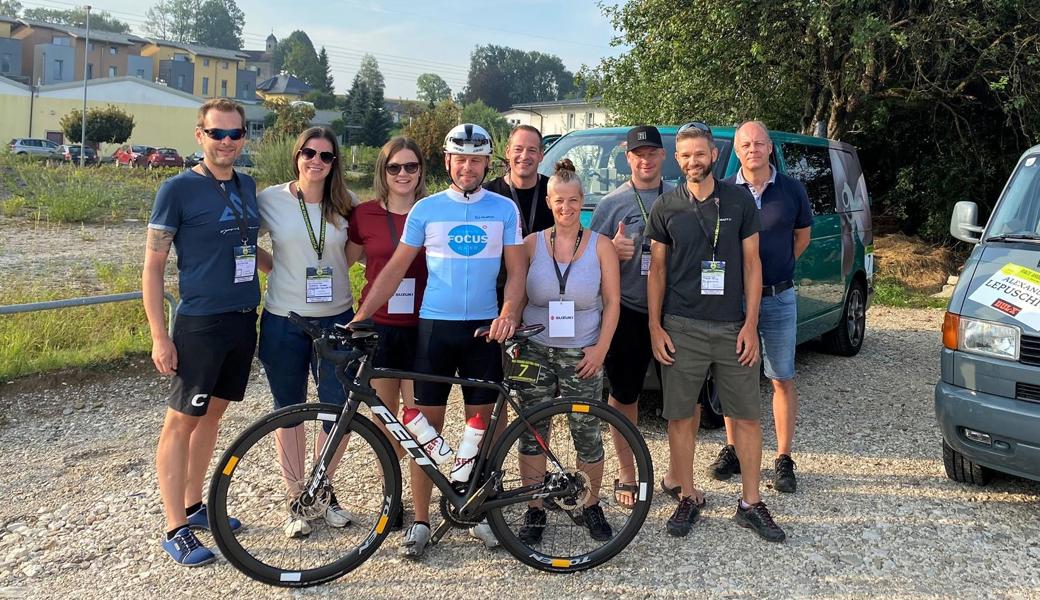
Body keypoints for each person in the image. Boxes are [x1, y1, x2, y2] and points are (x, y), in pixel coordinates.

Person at [349, 123, 525, 558]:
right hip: (434, 328)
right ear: (447, 162)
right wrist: (361, 317)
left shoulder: (504, 209)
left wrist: (508, 314)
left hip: (483, 328)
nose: (468, 167)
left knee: (478, 428)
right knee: (426, 431)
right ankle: (423, 518)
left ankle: (476, 510)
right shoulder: (425, 210)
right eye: (460, 159)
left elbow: (518, 272)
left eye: (476, 160)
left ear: (487, 164)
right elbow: (394, 269)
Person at [645, 122, 785, 542]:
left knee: (745, 415)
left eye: (700, 154)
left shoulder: (740, 201)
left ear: (713, 154)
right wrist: (654, 326)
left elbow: (754, 265)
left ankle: (750, 502)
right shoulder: (666, 207)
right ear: (677, 159)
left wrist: (750, 324)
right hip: (681, 326)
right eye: (685, 155)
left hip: (731, 327)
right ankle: (687, 494)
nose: (693, 162)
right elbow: (656, 270)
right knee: (681, 415)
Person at [144, 98, 259, 566]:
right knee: (180, 420)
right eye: (217, 134)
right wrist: (159, 335)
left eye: (234, 134)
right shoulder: (176, 189)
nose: (226, 142)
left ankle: (194, 506)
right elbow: (152, 269)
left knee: (213, 414)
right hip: (200, 322)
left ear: (244, 138)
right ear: (200, 135)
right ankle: (174, 526)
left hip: (242, 318)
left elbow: (251, 247)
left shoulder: (248, 185)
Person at [254, 126, 358, 539]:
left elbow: (352, 253)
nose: (316, 161)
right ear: (297, 156)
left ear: (335, 164)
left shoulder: (346, 206)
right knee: (290, 410)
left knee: (338, 411)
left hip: (335, 319)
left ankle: (322, 489)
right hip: (284, 319)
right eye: (309, 153)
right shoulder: (271, 200)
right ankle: (296, 497)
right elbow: (245, 239)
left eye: (326, 156)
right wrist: (275, 268)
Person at [513, 158, 621, 545]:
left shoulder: (601, 246)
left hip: (582, 353)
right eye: (559, 200)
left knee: (586, 432)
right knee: (532, 431)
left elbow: (612, 302)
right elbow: (516, 294)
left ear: (583, 201)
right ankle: (535, 507)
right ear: (548, 200)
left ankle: (590, 504)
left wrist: (600, 350)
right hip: (536, 350)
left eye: (573, 200)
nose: (566, 208)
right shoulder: (530, 245)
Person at [712, 120, 813, 493]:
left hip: (778, 297)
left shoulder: (791, 190)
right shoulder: (722, 192)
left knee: (781, 377)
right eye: (745, 145)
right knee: (732, 377)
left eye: (759, 143)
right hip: (732, 300)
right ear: (736, 152)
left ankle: (784, 458)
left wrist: (778, 267)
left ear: (770, 148)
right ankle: (733, 450)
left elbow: (802, 237)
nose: (752, 149)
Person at [588, 125, 674, 508]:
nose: (645, 159)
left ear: (662, 156)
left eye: (652, 152)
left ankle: (679, 475)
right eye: (638, 154)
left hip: (677, 312)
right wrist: (612, 251)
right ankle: (627, 473)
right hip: (629, 312)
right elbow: (587, 260)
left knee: (684, 399)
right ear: (629, 159)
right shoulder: (612, 203)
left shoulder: (680, 197)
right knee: (625, 396)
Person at [346, 137, 429, 528]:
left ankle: (420, 502)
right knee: (384, 419)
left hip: (422, 326)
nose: (402, 174)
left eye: (410, 167)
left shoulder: (433, 212)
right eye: (394, 167)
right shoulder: (363, 215)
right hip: (381, 326)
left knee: (417, 420)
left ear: (421, 172)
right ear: (383, 171)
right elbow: (342, 264)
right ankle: (390, 495)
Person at [483, 124, 555, 237]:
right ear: (508, 152)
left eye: (532, 150)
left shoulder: (555, 191)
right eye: (518, 149)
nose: (524, 156)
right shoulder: (488, 194)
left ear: (541, 155)